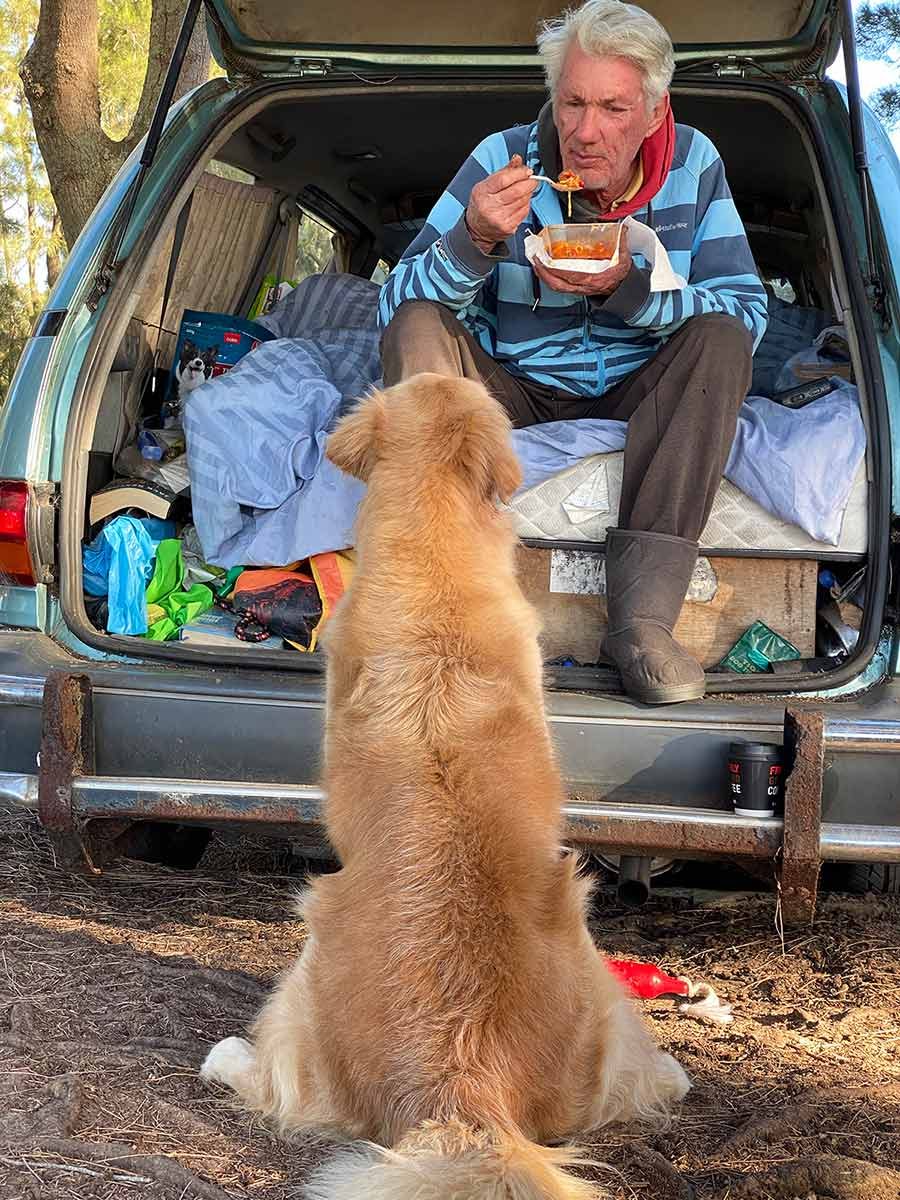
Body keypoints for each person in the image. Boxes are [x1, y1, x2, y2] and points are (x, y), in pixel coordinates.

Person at [378, 0, 768, 705]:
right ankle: (436, 602)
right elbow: (392, 305)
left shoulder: (694, 164)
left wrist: (631, 291)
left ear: (653, 112)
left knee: (721, 339)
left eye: (613, 109)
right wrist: (473, 239)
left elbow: (748, 311)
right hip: (512, 386)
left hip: (639, 390)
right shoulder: (501, 159)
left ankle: (643, 623)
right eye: (573, 103)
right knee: (416, 323)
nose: (586, 133)